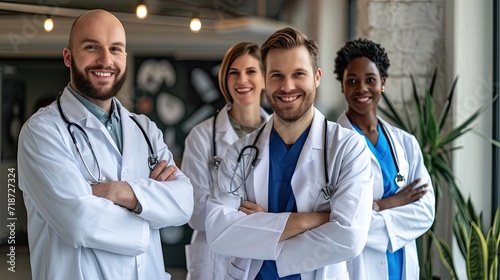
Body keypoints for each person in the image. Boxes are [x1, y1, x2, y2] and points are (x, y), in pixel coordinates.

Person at [17, 10, 193, 280]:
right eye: (91, 47)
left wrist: (124, 193)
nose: (105, 60)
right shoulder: (42, 132)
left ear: (124, 57)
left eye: (115, 49)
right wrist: (151, 208)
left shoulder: (144, 129)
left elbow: (184, 204)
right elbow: (78, 222)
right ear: (68, 56)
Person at [205, 27, 374, 279]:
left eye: (298, 74)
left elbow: (349, 236)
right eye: (276, 75)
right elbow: (218, 234)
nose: (287, 86)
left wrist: (263, 235)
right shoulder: (240, 153)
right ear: (265, 79)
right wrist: (314, 219)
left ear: (317, 77)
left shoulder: (348, 148)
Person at [334, 38, 435, 280]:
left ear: (383, 83)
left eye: (370, 79)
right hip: (358, 269)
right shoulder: (331, 145)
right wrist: (392, 202)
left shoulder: (406, 143)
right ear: (342, 87)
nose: (362, 88)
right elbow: (340, 222)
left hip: (403, 267)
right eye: (352, 81)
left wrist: (373, 209)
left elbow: (425, 212)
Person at [182, 42, 270, 279]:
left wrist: (225, 209)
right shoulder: (202, 137)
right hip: (216, 262)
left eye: (251, 71)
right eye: (234, 72)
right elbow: (197, 214)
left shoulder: (280, 134)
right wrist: (258, 215)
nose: (242, 80)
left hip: (265, 254)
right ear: (225, 79)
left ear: (264, 78)